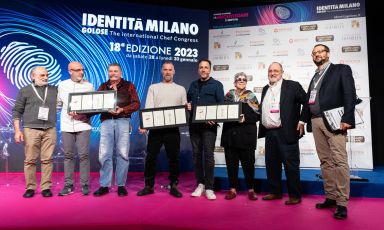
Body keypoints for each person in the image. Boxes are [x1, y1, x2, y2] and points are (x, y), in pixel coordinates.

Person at [301, 44, 357, 219]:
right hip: (316, 121)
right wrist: (303, 119)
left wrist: (347, 117)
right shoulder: (315, 76)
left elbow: (349, 93)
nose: (317, 54)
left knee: (339, 161)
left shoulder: (341, 69)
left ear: (327, 54)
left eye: (320, 51)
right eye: (314, 53)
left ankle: (342, 203)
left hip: (335, 121)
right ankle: (331, 197)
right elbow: (308, 100)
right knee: (325, 161)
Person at [258, 62, 306, 205]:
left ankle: (295, 195)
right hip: (270, 132)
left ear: (282, 72)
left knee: (291, 165)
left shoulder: (292, 86)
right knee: (272, 164)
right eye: (270, 71)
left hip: (286, 131)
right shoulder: (266, 88)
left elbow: (307, 102)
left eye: (275, 70)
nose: (272, 73)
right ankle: (275, 191)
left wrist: (302, 120)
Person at [137, 61, 187, 198]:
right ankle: (148, 186)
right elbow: (148, 107)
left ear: (174, 72)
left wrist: (187, 107)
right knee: (151, 157)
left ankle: (174, 185)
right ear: (162, 71)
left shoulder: (181, 89)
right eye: (165, 69)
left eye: (170, 69)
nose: (168, 72)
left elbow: (183, 108)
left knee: (174, 158)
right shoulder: (153, 87)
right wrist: (144, 124)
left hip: (173, 129)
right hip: (156, 129)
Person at [93, 63, 140, 197]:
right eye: (110, 71)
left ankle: (120, 185)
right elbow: (95, 103)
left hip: (123, 120)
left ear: (120, 73)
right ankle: (104, 185)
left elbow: (136, 103)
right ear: (108, 73)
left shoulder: (128, 85)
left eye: (115, 71)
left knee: (122, 153)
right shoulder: (103, 86)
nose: (113, 73)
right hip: (106, 121)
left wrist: (122, 110)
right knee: (104, 154)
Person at [12, 66, 58, 198]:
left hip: (50, 128)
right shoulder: (25, 90)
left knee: (47, 159)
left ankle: (46, 187)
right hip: (30, 129)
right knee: (30, 160)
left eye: (46, 75)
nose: (45, 77)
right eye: (42, 75)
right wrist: (17, 131)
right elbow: (17, 111)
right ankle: (30, 187)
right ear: (33, 76)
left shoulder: (55, 90)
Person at [187, 59, 224, 200]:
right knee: (196, 156)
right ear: (198, 70)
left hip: (209, 127)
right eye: (201, 67)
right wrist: (188, 106)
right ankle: (200, 184)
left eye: (206, 67)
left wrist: (215, 118)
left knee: (208, 156)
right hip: (194, 126)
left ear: (210, 70)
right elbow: (189, 102)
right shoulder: (193, 85)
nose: (203, 70)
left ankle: (209, 187)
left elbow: (221, 106)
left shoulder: (217, 85)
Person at [220, 72, 260, 200]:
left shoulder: (251, 96)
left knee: (249, 164)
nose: (241, 81)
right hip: (230, 136)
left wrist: (246, 117)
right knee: (231, 165)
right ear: (234, 81)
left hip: (246, 136)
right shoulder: (228, 95)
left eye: (244, 79)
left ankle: (251, 189)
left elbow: (258, 115)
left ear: (246, 82)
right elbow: (222, 113)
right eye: (239, 79)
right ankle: (232, 189)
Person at [57, 61, 94, 196]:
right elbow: (59, 103)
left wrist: (82, 114)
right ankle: (68, 185)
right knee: (68, 156)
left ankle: (85, 184)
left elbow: (92, 106)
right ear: (70, 71)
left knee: (84, 155)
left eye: (82, 69)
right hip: (67, 124)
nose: (81, 72)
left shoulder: (89, 86)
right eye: (77, 70)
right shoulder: (62, 85)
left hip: (83, 124)